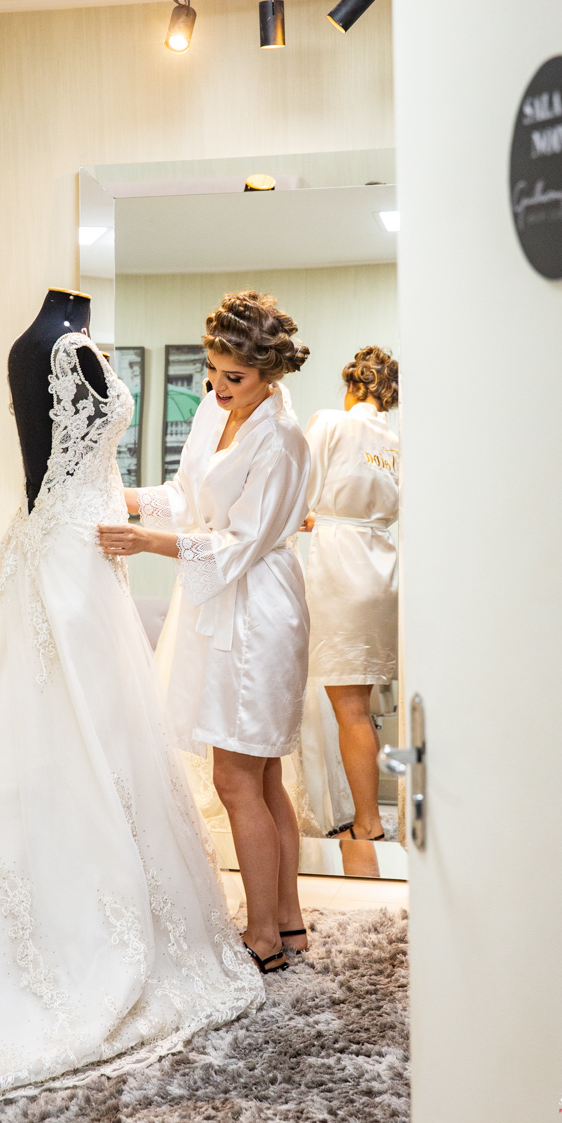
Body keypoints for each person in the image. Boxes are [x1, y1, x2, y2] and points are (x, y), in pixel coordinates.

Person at [0, 307, 262, 1117]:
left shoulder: (53, 345)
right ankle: (46, 932)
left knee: (98, 733)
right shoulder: (55, 346)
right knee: (57, 730)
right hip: (68, 559)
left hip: (84, 551)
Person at [99, 291, 311, 974]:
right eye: (212, 369)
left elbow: (240, 542)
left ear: (269, 372)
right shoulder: (217, 414)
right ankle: (288, 922)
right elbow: (188, 498)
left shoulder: (282, 440)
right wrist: (128, 500)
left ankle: (263, 936)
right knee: (263, 775)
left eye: (233, 376)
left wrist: (147, 542)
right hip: (220, 603)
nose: (217, 386)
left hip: (257, 609)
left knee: (238, 777)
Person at [301, 345, 399, 841]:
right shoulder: (396, 441)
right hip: (383, 568)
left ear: (351, 386)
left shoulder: (331, 423)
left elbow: (299, 488)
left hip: (341, 568)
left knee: (351, 710)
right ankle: (371, 818)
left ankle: (368, 824)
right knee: (365, 705)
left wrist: (306, 515)